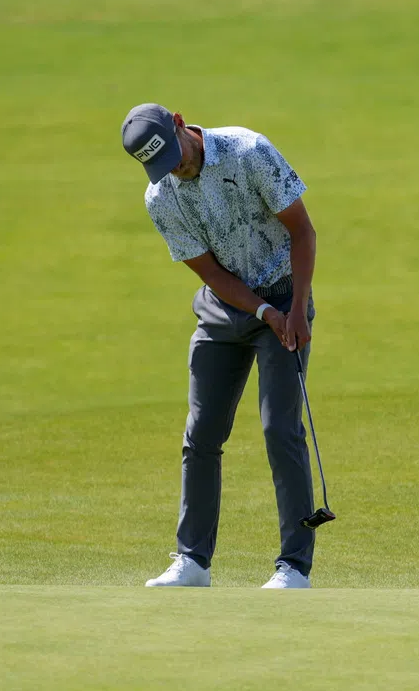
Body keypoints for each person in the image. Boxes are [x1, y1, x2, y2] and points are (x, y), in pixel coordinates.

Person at [121, 103, 320, 589]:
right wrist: (262, 314)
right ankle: (193, 561)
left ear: (178, 121)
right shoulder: (160, 196)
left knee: (279, 429)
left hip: (283, 290)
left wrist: (293, 308)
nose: (177, 169)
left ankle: (294, 566)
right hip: (225, 306)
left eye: (175, 155)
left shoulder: (248, 151)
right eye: (161, 165)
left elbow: (302, 230)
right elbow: (210, 273)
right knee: (202, 433)